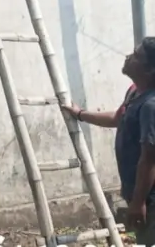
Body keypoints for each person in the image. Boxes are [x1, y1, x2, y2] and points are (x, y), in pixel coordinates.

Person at [62, 38, 155, 243]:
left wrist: (139, 202)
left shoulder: (151, 105)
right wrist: (80, 114)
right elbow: (117, 118)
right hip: (137, 192)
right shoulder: (134, 92)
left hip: (149, 197)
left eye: (137, 56)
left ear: (149, 71)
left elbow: (149, 159)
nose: (128, 57)